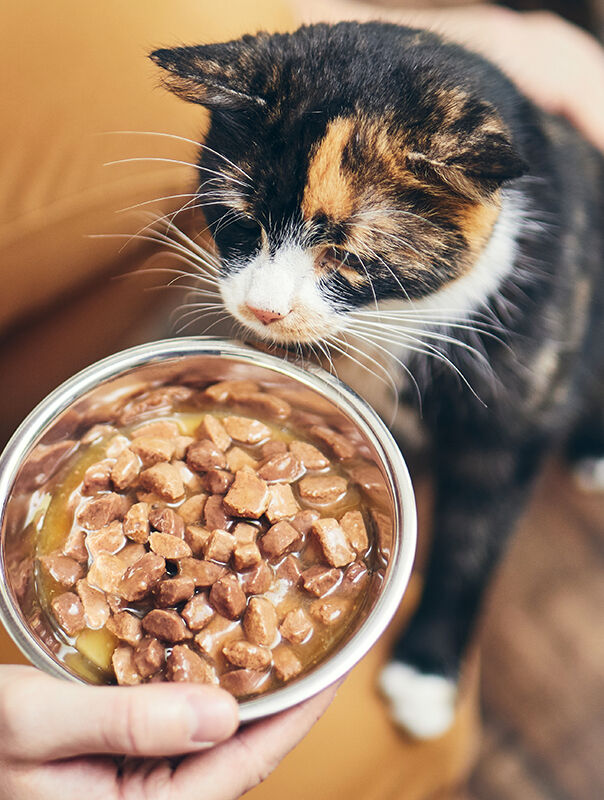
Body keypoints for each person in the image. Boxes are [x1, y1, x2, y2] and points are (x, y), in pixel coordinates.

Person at [0, 3, 602, 798]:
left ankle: (449, 623)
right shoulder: (268, 153)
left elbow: (501, 464)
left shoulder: (484, 217)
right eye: (240, 227)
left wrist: (440, 635)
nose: (263, 299)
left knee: (513, 437)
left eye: (339, 257)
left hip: (539, 364)